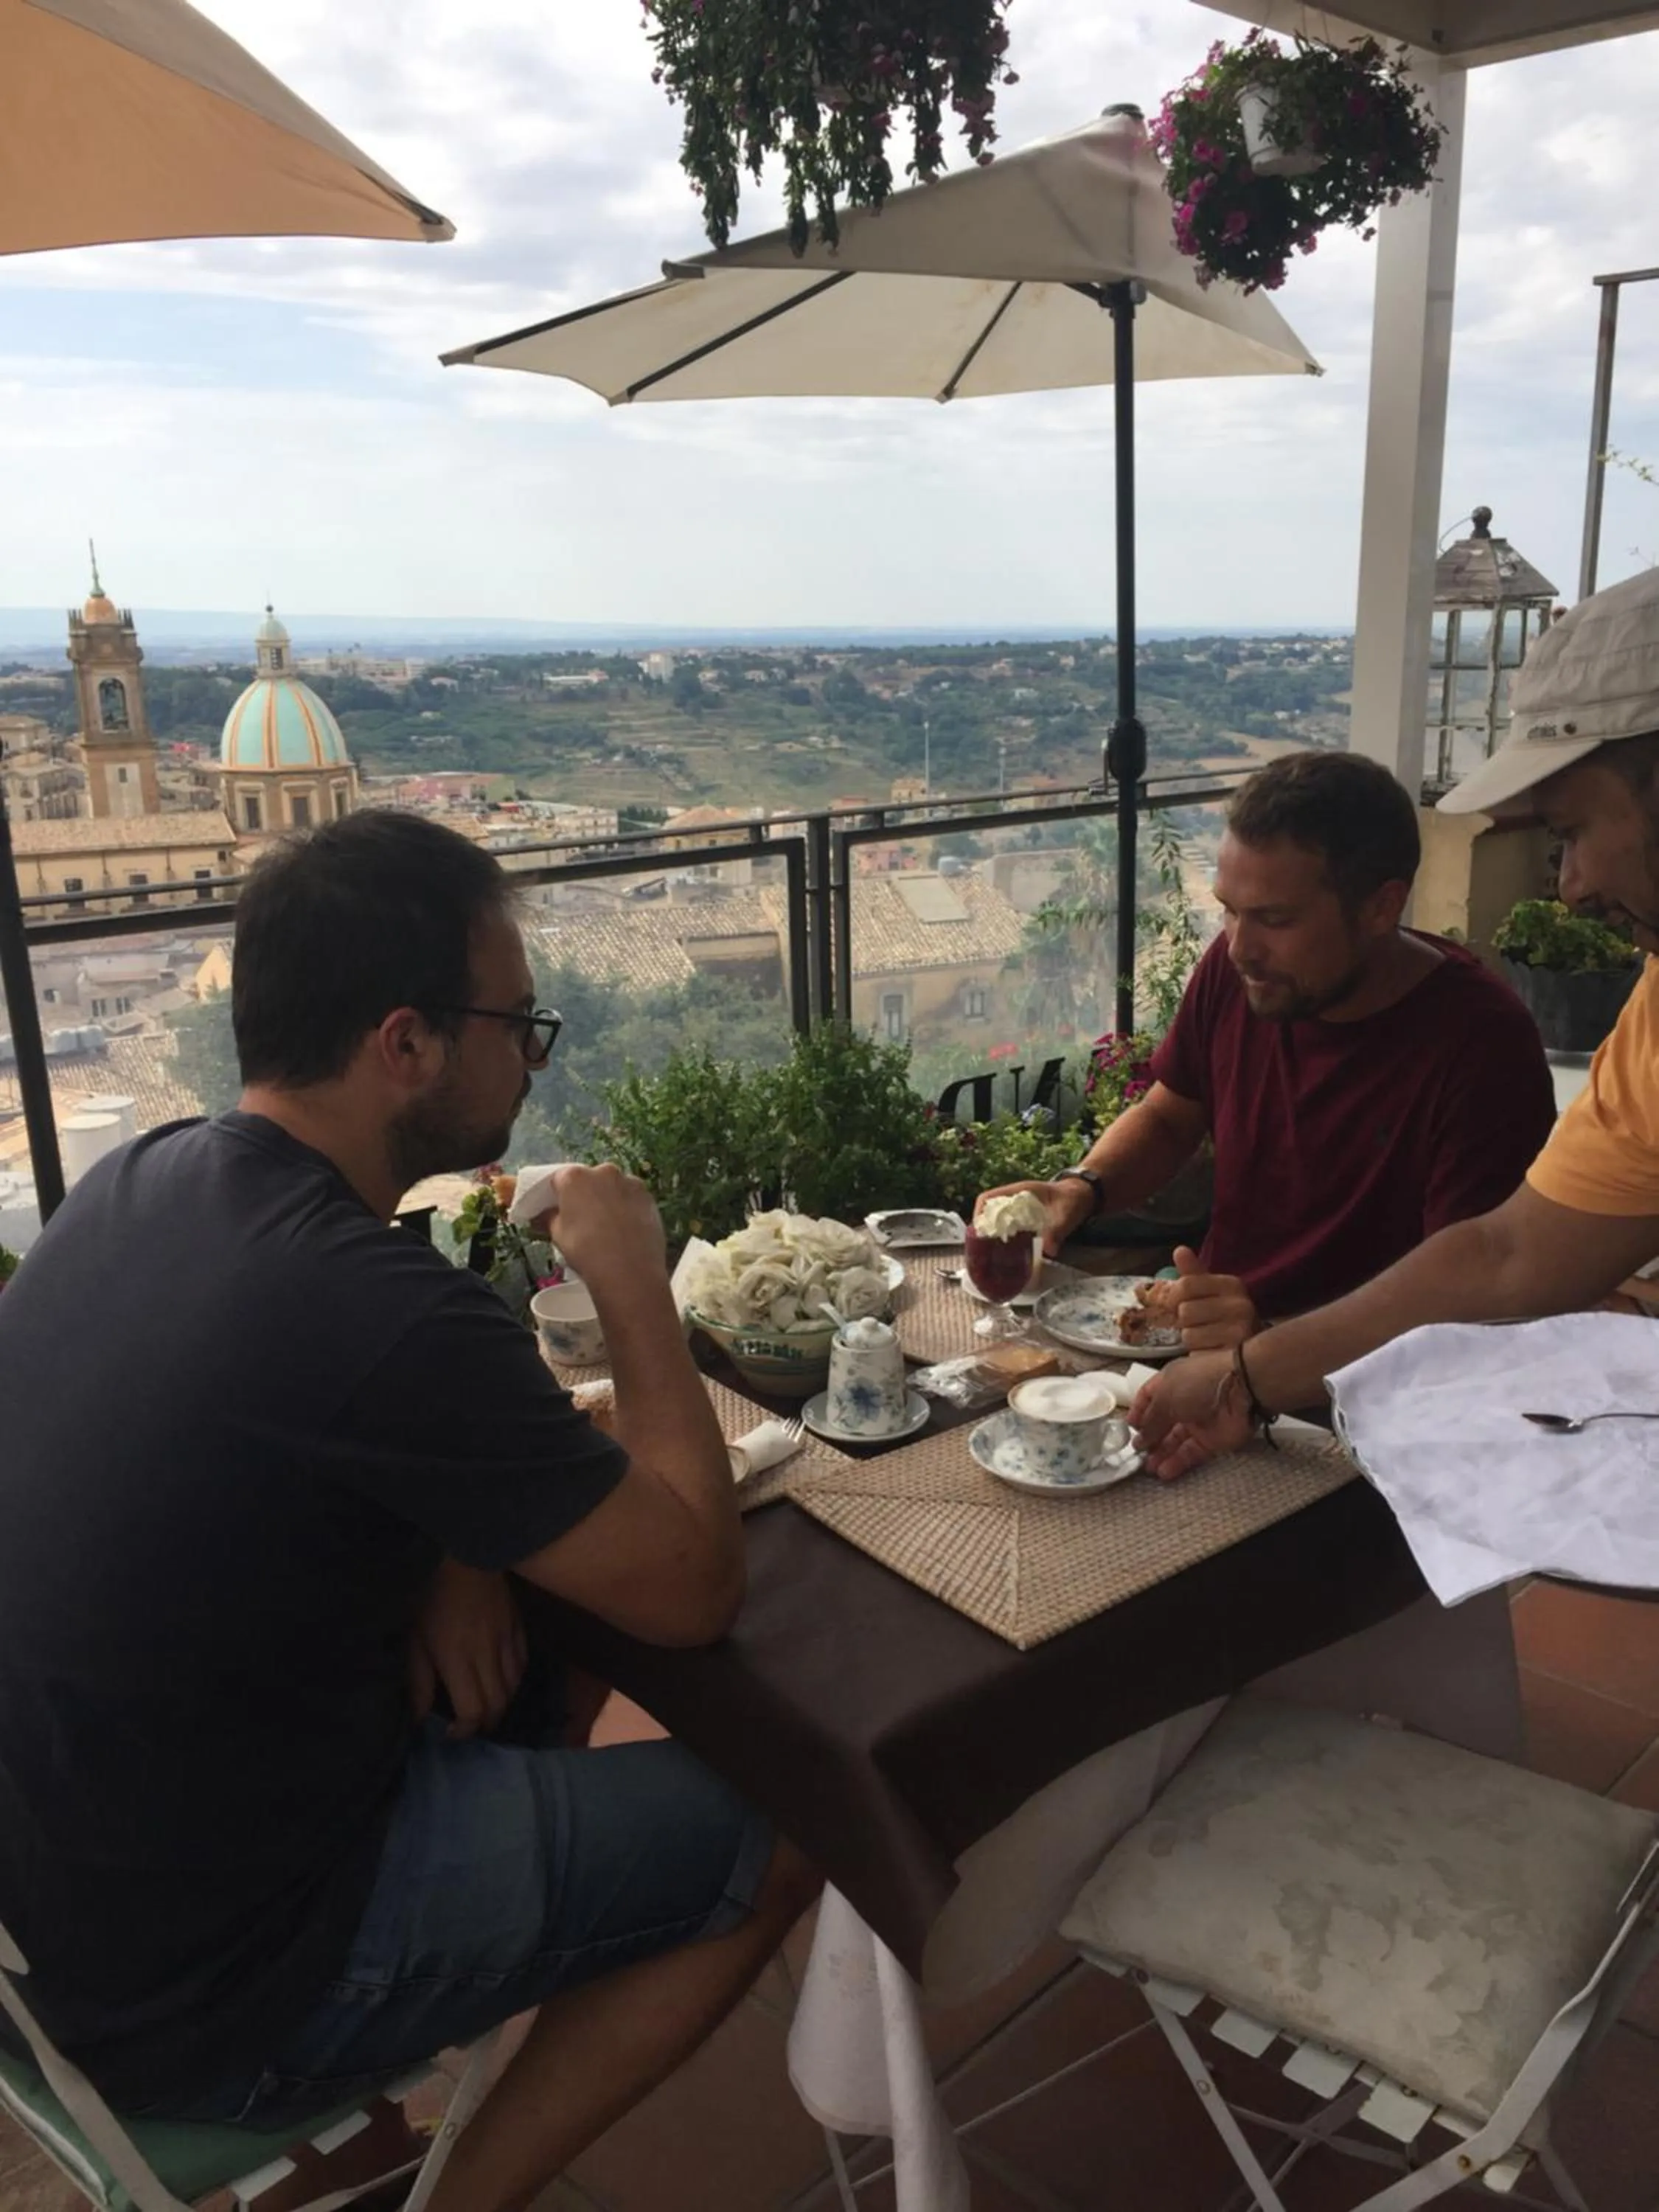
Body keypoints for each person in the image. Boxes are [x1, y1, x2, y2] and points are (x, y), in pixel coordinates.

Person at [0, 811, 818, 2212]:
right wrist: (632, 1273)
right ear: (405, 1045)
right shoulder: (377, 1310)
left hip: (63, 1925)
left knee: (538, 1678)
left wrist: (455, 1543)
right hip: (229, 1990)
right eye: (519, 1023)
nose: (530, 1055)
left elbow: (301, 1432)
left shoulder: (138, 1184)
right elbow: (692, 1585)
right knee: (814, 1823)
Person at [1134, 566, 1659, 1477]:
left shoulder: (1476, 1038)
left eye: (1568, 831)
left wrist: (1255, 1366)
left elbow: (1498, 1297)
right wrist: (1249, 1376)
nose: (1569, 887)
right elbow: (1509, 1255)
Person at [979, 750, 1557, 1349]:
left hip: (1360, 1395)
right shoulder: (1245, 976)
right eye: (1230, 911)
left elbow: (1469, 1305)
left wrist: (1268, 1341)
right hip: (1210, 1349)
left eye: (1276, 919)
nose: (1239, 948)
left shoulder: (1482, 1047)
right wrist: (1081, 1189)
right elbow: (1170, 1114)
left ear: (1382, 907)